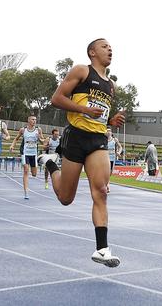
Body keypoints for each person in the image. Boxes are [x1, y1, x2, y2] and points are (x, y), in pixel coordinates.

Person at [37, 38, 125, 267]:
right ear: (92, 52)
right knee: (66, 198)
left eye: (111, 47)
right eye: (105, 46)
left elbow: (100, 115)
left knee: (101, 192)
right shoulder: (81, 71)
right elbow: (56, 99)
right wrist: (84, 109)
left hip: (97, 139)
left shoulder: (110, 85)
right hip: (76, 136)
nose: (110, 49)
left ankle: (102, 249)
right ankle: (50, 163)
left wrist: (111, 121)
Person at [10, 115, 46, 199]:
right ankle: (26, 192)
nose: (34, 121)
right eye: (33, 119)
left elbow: (42, 142)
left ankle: (32, 172)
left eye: (35, 120)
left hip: (34, 153)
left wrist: (40, 139)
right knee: (26, 170)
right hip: (25, 152)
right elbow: (16, 138)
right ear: (28, 120)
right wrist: (12, 145)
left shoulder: (38, 129)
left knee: (34, 174)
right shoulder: (23, 130)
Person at [106, 128, 122, 193]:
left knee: (110, 173)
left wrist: (118, 152)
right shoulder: (103, 140)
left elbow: (120, 147)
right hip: (105, 158)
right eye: (107, 131)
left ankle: (106, 183)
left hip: (112, 158)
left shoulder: (115, 140)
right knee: (106, 172)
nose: (108, 132)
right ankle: (107, 185)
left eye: (110, 131)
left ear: (111, 132)